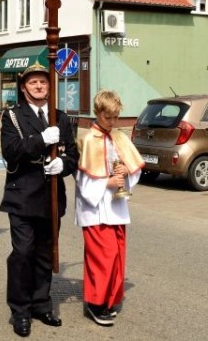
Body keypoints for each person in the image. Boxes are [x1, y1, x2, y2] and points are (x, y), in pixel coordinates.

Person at [0, 62, 79, 337]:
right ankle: (20, 310)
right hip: (22, 194)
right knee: (23, 253)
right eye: (33, 82)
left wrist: (63, 165)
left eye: (43, 82)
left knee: (46, 252)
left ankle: (41, 304)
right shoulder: (12, 116)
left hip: (51, 194)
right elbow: (11, 151)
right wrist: (41, 139)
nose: (39, 86)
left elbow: (73, 155)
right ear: (24, 88)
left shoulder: (61, 117)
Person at [76, 90, 143, 326]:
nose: (112, 122)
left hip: (117, 208)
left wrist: (126, 171)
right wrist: (107, 183)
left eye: (116, 117)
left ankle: (108, 300)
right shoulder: (87, 139)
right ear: (98, 113)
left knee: (116, 256)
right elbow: (83, 181)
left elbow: (134, 168)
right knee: (102, 258)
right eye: (108, 117)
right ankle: (95, 304)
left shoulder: (119, 137)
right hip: (95, 210)